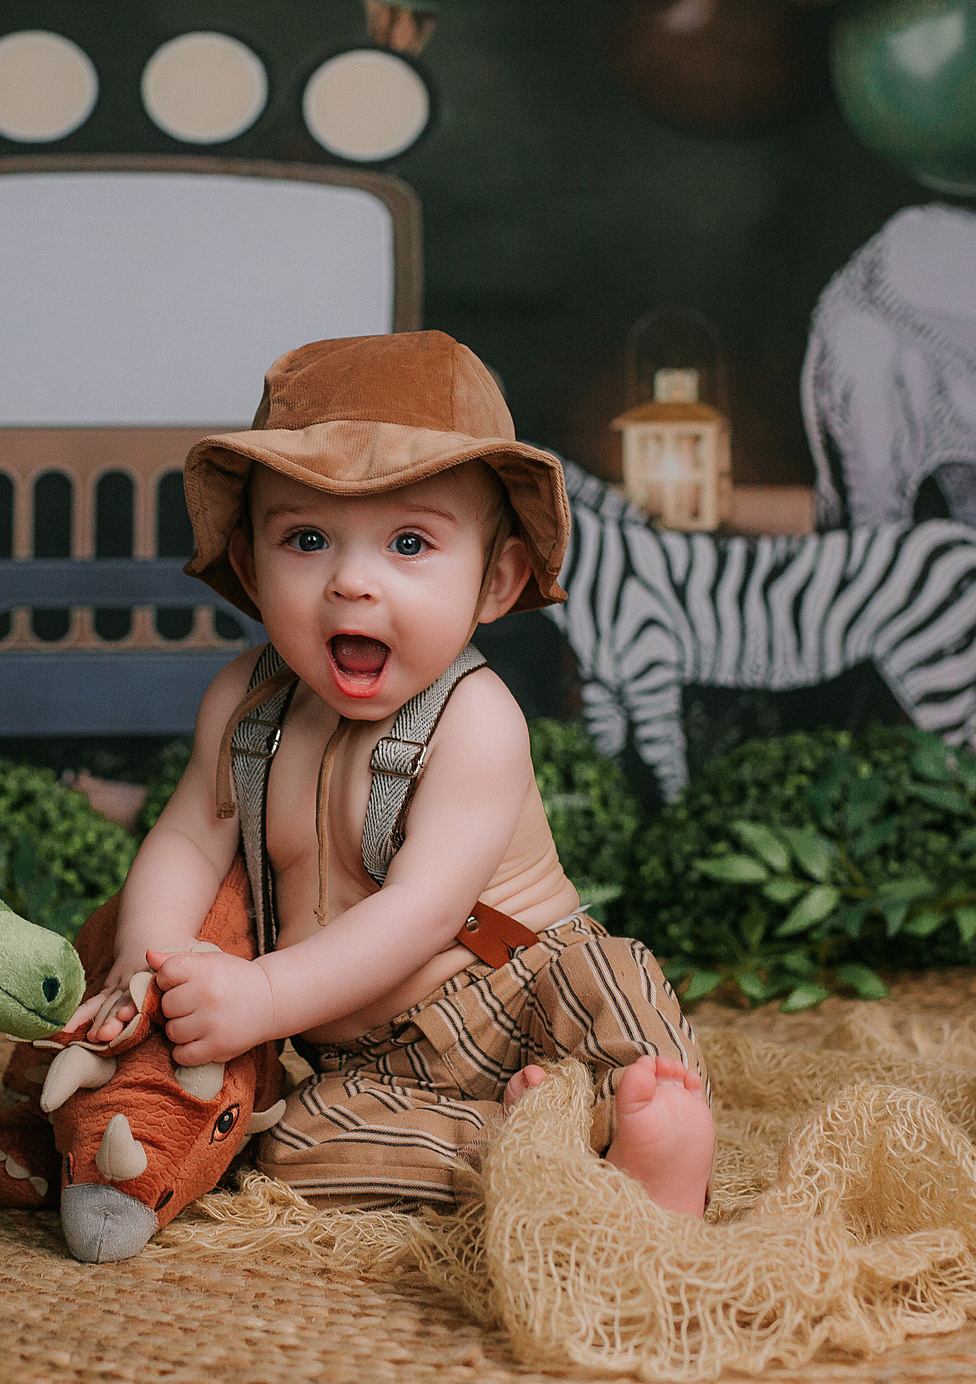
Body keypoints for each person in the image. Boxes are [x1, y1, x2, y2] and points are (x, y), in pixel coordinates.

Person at [69, 331, 713, 1216]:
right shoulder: (242, 705)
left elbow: (424, 910)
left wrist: (259, 993)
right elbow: (187, 835)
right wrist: (148, 964)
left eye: (409, 542)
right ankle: (525, 1154)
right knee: (289, 1141)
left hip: (516, 992)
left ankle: (650, 1131)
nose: (352, 583)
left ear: (496, 581)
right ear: (252, 568)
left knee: (610, 984)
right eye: (307, 539)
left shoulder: (475, 720)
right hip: (370, 1058)